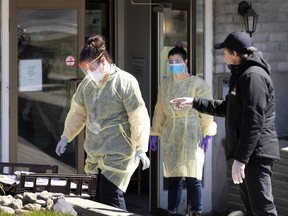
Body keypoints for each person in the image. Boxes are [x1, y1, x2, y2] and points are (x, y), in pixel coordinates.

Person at [170, 32, 280, 216]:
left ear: (235, 54)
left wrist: (242, 159)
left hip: (256, 155)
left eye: (225, 52)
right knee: (252, 210)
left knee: (263, 210)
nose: (223, 55)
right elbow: (228, 107)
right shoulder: (242, 75)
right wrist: (194, 102)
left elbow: (253, 122)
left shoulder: (253, 77)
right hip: (248, 154)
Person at [55, 35, 151, 210]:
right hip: (94, 149)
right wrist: (66, 136)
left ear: (103, 61)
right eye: (85, 69)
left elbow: (138, 116)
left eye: (91, 68)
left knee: (111, 195)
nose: (89, 73)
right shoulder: (87, 85)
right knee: (95, 198)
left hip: (118, 151)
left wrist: (140, 147)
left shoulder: (124, 81)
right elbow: (78, 113)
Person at [150, 45, 217, 216]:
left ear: (186, 61)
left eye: (178, 61)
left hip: (192, 133)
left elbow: (207, 110)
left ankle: (196, 212)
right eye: (171, 62)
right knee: (174, 177)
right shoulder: (165, 84)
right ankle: (172, 211)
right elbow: (160, 110)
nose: (174, 65)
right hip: (172, 133)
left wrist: (208, 132)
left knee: (193, 177)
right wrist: (155, 132)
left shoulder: (197, 84)